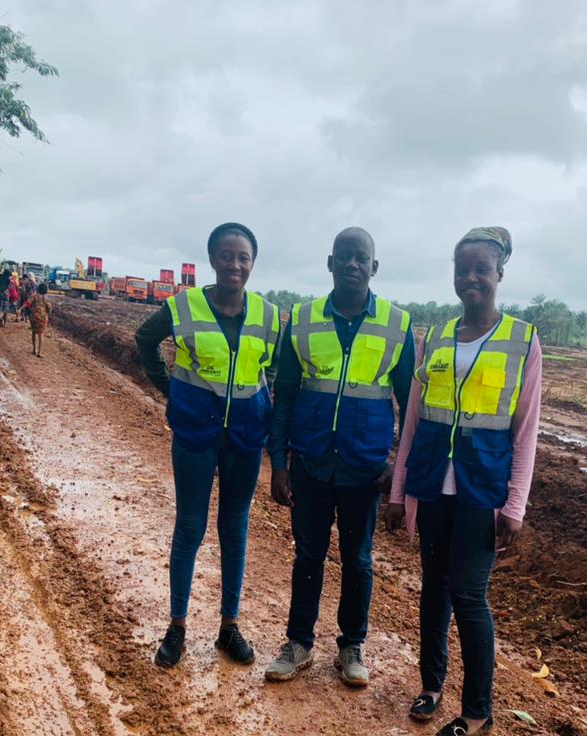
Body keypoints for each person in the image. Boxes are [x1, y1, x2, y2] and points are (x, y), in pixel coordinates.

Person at [386, 226, 542, 736]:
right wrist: (398, 491)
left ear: (500, 274)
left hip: (483, 489)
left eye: (482, 269)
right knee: (433, 588)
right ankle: (431, 685)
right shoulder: (436, 337)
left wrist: (515, 505)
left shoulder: (522, 339)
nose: (471, 278)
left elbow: (526, 429)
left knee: (469, 596)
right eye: (462, 268)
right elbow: (412, 419)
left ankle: (477, 710)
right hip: (434, 484)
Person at [266, 227, 415, 686]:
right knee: (308, 555)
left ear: (374, 268)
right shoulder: (305, 319)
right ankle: (299, 643)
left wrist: (398, 469)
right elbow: (285, 393)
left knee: (359, 559)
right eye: (344, 257)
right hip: (311, 462)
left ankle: (352, 646)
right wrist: (278, 463)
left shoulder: (397, 324)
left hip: (364, 469)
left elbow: (411, 406)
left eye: (361, 258)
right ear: (329, 263)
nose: (352, 264)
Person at [135, 223, 280, 668]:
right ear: (212, 259)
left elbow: (269, 369)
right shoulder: (184, 306)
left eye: (244, 258)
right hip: (196, 433)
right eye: (227, 256)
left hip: (245, 437)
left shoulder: (269, 315)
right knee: (191, 528)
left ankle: (228, 627)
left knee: (234, 529)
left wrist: (264, 407)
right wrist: (171, 391)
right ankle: (177, 627)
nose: (235, 265)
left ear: (252, 263)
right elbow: (144, 339)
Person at [28, 283, 52, 356]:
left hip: (34, 317)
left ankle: (34, 349)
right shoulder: (47, 299)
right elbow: (49, 309)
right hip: (43, 318)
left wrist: (21, 309)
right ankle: (40, 352)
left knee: (34, 332)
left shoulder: (34, 296)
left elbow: (28, 303)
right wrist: (48, 315)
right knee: (41, 334)